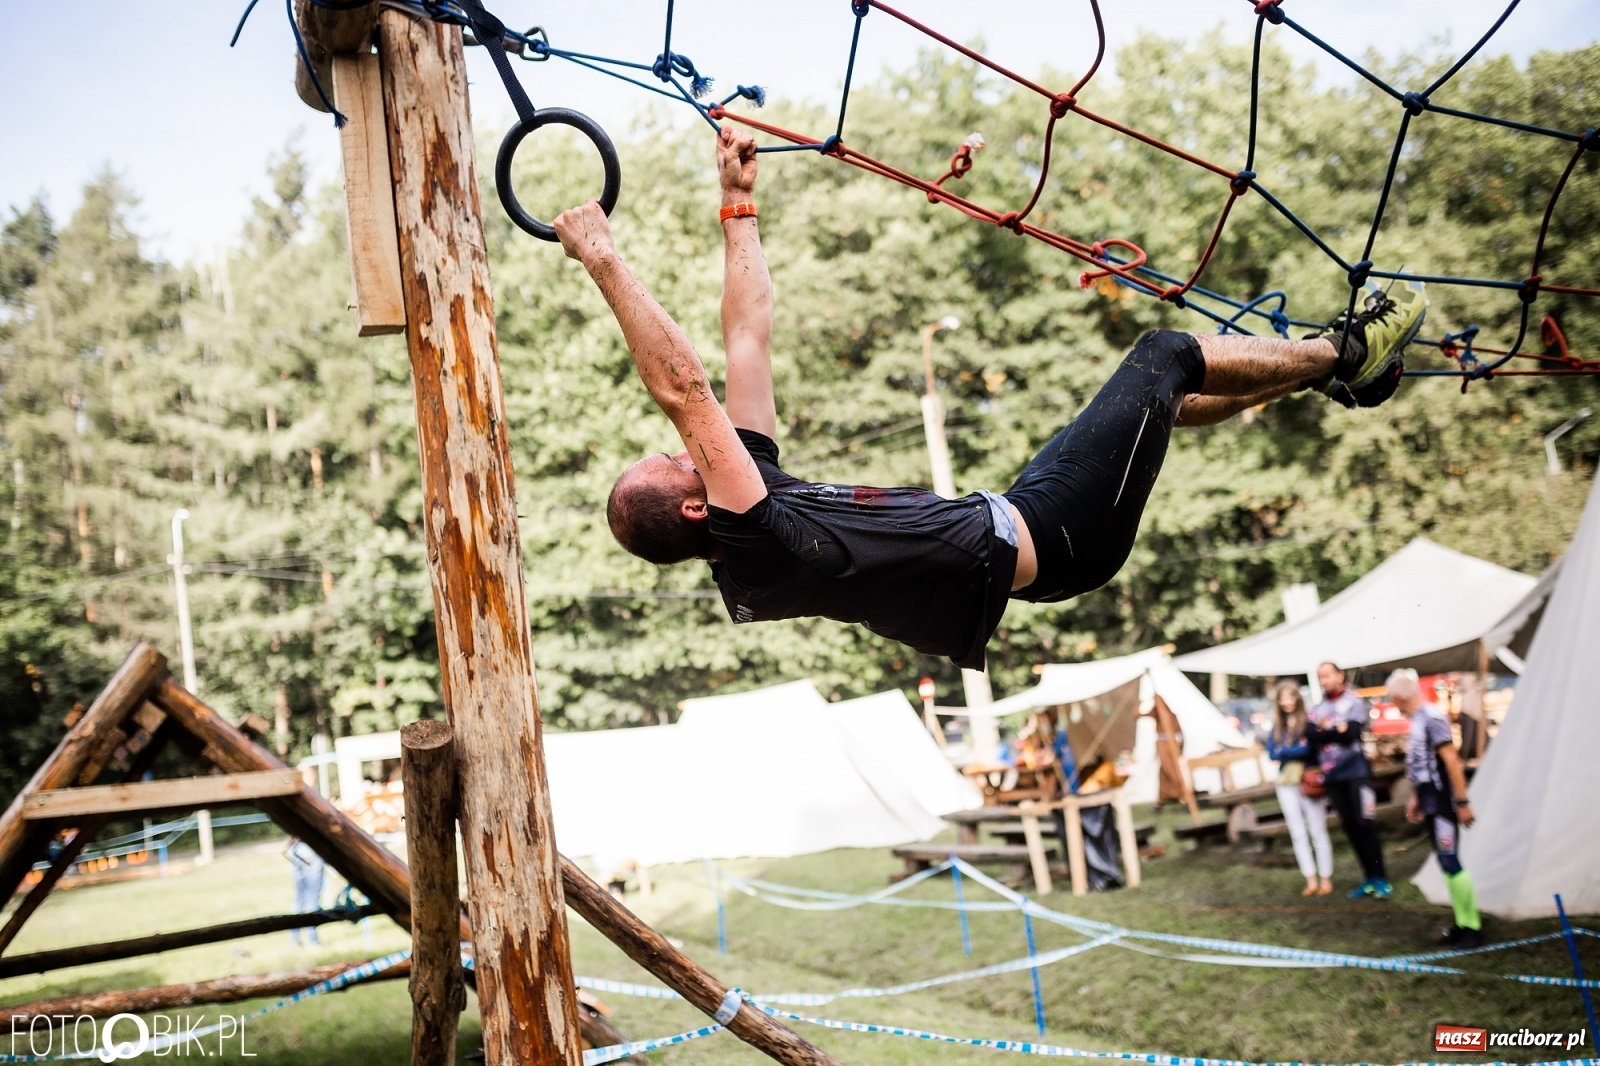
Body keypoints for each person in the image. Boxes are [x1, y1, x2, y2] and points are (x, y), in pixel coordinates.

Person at [552, 128, 1428, 670]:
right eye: (677, 463)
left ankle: (1321, 380)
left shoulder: (759, 499)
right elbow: (684, 385)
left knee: (1167, 404)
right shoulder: (757, 542)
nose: (686, 448)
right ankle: (1350, 352)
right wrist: (604, 259)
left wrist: (736, 206)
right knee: (1164, 354)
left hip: (1021, 516)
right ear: (700, 505)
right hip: (1058, 542)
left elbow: (746, 338)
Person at [1388, 668, 1483, 946]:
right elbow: (1422, 765)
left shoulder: (1432, 717)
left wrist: (1462, 802)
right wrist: (1417, 797)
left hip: (1444, 802)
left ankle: (1473, 928)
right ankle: (1462, 922)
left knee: (1451, 861)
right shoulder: (1418, 720)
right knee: (1445, 862)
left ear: (1398, 696)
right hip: (1430, 801)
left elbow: (1451, 761)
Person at [1308, 662, 1389, 899]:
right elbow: (1311, 734)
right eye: (1320, 677)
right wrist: (1337, 731)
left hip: (1357, 773)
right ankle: (1368, 879)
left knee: (1365, 824)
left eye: (1327, 676)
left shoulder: (1353, 701)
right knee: (1351, 828)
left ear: (1339, 675)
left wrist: (1328, 733)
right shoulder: (1319, 707)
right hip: (1332, 777)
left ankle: (1380, 878)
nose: (1324, 681)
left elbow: (1353, 733)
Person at [1264, 679, 1334, 896]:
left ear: (1297, 698)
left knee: (1317, 830)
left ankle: (1326, 878)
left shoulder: (1308, 721)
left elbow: (1310, 749)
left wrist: (1286, 751)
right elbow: (1272, 753)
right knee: (1297, 832)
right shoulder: (1277, 726)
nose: (1286, 702)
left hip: (1308, 779)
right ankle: (1310, 879)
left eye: (1290, 697)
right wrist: (1292, 749)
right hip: (1286, 782)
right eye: (1282, 698)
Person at [286, 837, 325, 946]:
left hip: (295, 848)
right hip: (310, 849)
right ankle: (312, 940)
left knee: (300, 900)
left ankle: (294, 940)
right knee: (312, 899)